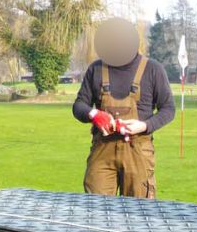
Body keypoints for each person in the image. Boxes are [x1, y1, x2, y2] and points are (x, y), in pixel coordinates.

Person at [72, 23, 175, 199]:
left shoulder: (152, 69)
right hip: (102, 149)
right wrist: (94, 115)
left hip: (138, 149)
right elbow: (79, 106)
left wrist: (144, 125)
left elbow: (168, 109)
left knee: (139, 214)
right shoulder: (96, 69)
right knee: (96, 211)